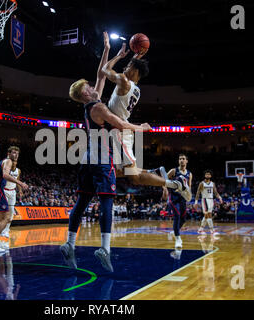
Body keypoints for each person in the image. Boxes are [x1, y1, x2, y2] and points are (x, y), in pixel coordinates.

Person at [60, 32, 152, 272]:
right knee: (107, 201)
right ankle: (105, 248)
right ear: (84, 94)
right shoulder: (99, 107)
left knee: (81, 202)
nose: (93, 86)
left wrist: (109, 50)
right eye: (89, 87)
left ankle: (69, 244)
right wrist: (140, 128)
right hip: (101, 159)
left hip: (87, 160)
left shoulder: (92, 104)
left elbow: (101, 74)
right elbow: (121, 124)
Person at [101, 42, 191, 201]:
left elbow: (104, 69)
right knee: (118, 171)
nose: (125, 67)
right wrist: (135, 59)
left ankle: (176, 185)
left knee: (133, 177)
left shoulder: (122, 80)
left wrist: (119, 56)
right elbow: (133, 70)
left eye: (128, 65)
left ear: (134, 70)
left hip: (119, 132)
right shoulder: (136, 89)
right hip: (119, 131)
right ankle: (157, 173)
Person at [0, 146, 28, 253]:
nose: (15, 155)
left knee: (5, 218)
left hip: (4, 190)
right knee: (3, 218)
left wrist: (19, 189)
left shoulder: (15, 168)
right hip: (1, 189)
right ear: (8, 153)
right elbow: (5, 175)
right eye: (13, 153)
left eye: (17, 154)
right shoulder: (7, 161)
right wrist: (21, 183)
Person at [0, 149, 23, 250]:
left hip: (12, 192)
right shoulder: (5, 166)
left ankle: (6, 230)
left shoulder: (18, 170)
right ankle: (0, 232)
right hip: (4, 190)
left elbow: (18, 181)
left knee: (11, 213)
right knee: (4, 213)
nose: (14, 163)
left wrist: (20, 190)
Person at [167, 154, 193, 249]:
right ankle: (178, 239)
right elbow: (164, 180)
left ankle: (174, 232)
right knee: (177, 216)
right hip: (173, 197)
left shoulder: (189, 174)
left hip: (183, 198)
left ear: (187, 161)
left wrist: (189, 198)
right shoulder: (174, 171)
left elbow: (189, 187)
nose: (181, 160)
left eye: (183, 159)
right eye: (180, 159)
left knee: (183, 219)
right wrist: (165, 190)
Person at [195, 170, 222, 236]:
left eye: (208, 174)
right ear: (204, 175)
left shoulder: (213, 183)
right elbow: (198, 193)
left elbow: (215, 192)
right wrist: (196, 202)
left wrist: (220, 197)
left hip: (211, 200)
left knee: (206, 216)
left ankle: (200, 230)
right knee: (209, 215)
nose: (207, 175)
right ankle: (212, 230)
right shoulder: (201, 183)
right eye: (206, 174)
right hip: (205, 200)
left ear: (211, 176)